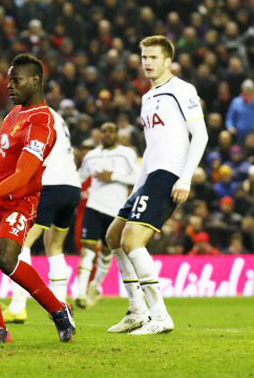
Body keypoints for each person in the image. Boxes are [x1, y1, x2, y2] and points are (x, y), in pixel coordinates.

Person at [0, 53, 75, 344]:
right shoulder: (13, 114)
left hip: (19, 199)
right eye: (8, 79)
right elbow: (0, 163)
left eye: (16, 80)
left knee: (4, 256)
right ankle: (0, 330)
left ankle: (59, 311)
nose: (8, 85)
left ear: (36, 81)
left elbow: (24, 175)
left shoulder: (42, 122)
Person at [106, 36, 207, 335]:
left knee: (132, 241)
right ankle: (137, 311)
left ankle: (160, 316)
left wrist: (185, 176)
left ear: (167, 61)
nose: (147, 62)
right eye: (144, 57)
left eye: (153, 57)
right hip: (151, 176)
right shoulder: (147, 98)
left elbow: (199, 135)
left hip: (170, 173)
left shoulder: (182, 90)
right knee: (114, 236)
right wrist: (137, 187)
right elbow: (150, 149)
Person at [2, 108, 81, 323]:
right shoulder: (56, 115)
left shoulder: (34, 116)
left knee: (21, 242)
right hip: (72, 186)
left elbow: (34, 154)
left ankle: (18, 306)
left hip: (50, 184)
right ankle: (60, 304)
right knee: (54, 246)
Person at [75, 122, 139, 309]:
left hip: (116, 210)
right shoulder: (91, 156)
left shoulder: (126, 154)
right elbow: (79, 177)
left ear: (117, 134)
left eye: (111, 131)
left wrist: (114, 176)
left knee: (107, 251)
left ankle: (95, 286)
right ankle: (80, 293)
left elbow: (137, 177)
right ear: (100, 134)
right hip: (93, 206)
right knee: (87, 250)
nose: (107, 134)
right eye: (104, 131)